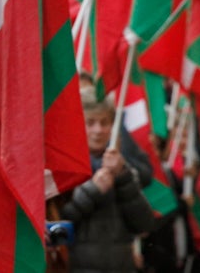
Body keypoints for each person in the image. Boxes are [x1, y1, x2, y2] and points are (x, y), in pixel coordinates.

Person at [55, 99, 157, 273]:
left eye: (104, 123)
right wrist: (92, 191)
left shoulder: (122, 167)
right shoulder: (61, 169)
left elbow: (144, 224)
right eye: (90, 123)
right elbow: (55, 231)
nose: (98, 130)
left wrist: (123, 178)